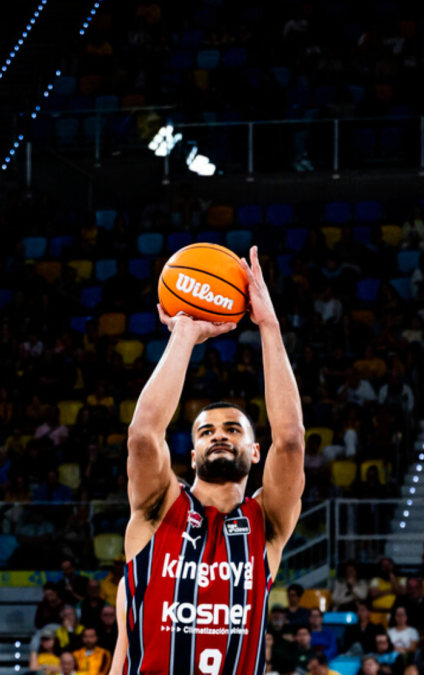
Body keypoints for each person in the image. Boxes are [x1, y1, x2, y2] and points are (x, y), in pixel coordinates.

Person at [122, 247, 305, 675]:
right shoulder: (158, 509)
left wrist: (269, 326)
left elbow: (292, 439)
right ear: (191, 454)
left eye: (233, 430)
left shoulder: (268, 524)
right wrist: (184, 333)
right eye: (206, 432)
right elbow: (143, 436)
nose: (219, 435)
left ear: (255, 452)